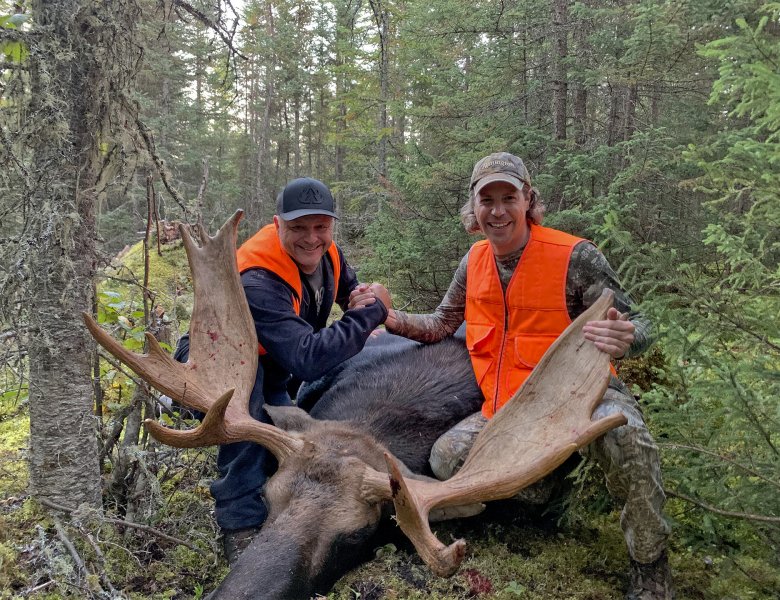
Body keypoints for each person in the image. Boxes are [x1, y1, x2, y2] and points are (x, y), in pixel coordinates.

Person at [350, 153, 674, 600]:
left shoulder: (576, 257)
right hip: (507, 409)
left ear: (528, 200)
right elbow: (443, 323)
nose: (497, 211)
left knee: (630, 442)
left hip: (584, 395)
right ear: (473, 208)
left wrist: (628, 334)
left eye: (509, 197)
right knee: (447, 459)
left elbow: (644, 324)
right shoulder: (475, 261)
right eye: (487, 199)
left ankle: (650, 565)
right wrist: (386, 316)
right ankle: (547, 495)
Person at [174, 177, 388, 565]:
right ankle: (238, 526)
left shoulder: (329, 254)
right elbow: (306, 357)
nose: (311, 238)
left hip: (269, 360)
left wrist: (361, 301)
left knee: (285, 438)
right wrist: (374, 312)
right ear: (277, 225)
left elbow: (349, 292)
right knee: (249, 432)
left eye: (320, 227)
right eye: (298, 228)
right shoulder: (258, 278)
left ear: (331, 226)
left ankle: (275, 502)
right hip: (225, 363)